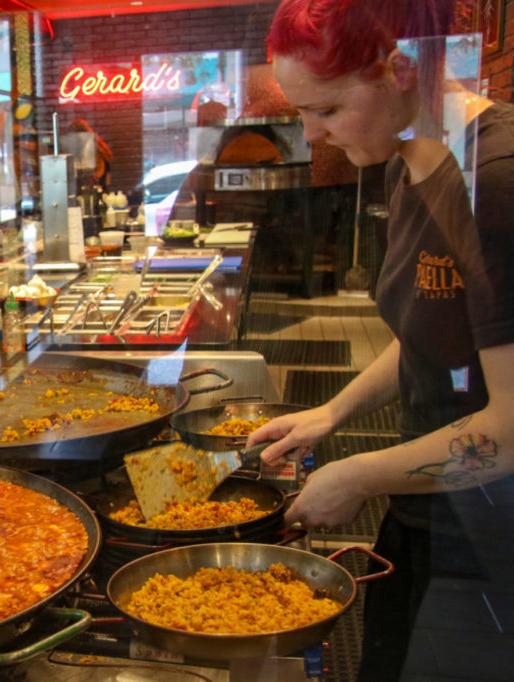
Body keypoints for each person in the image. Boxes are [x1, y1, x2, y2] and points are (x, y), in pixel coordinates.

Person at [247, 1, 514, 679]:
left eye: (328, 110)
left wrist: (358, 472)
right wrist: (332, 413)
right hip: (429, 497)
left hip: (491, 534)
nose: (314, 134)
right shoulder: (406, 163)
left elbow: (510, 432)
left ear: (401, 69)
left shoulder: (495, 180)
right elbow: (436, 336)